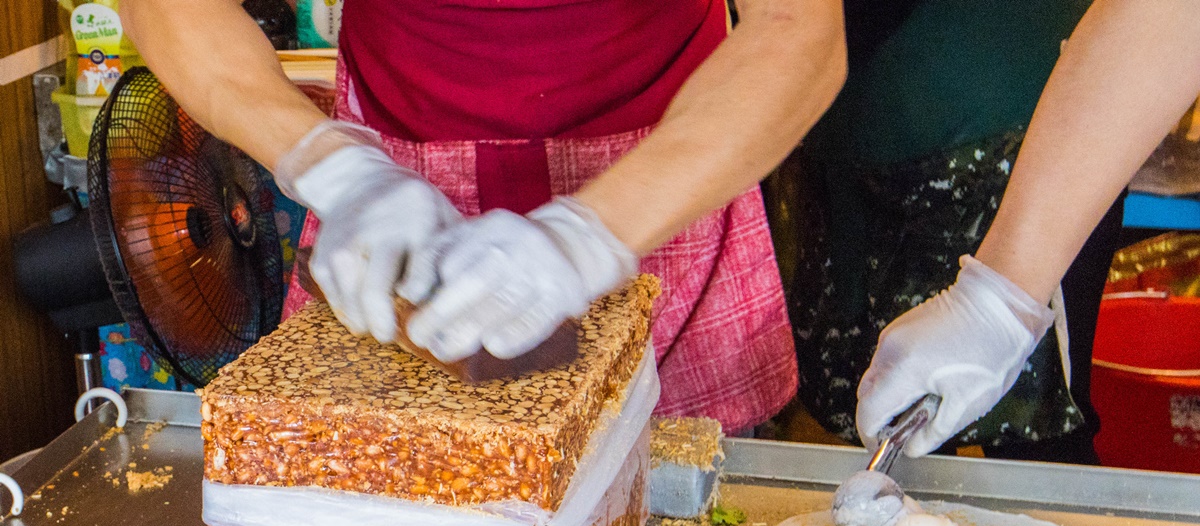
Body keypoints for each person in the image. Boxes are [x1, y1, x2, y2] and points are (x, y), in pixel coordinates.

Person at [120, 0, 847, 436]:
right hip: (390, 215)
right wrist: (328, 165)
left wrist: (584, 241)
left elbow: (800, 30)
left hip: (661, 200)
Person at [855, 0, 1200, 457]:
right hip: (872, 129)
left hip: (1023, 116)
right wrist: (997, 302)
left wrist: (996, 303)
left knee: (1042, 438)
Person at [785, 0, 1113, 464]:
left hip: (1014, 129)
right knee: (885, 412)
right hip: (851, 136)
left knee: (1034, 441)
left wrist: (999, 305)